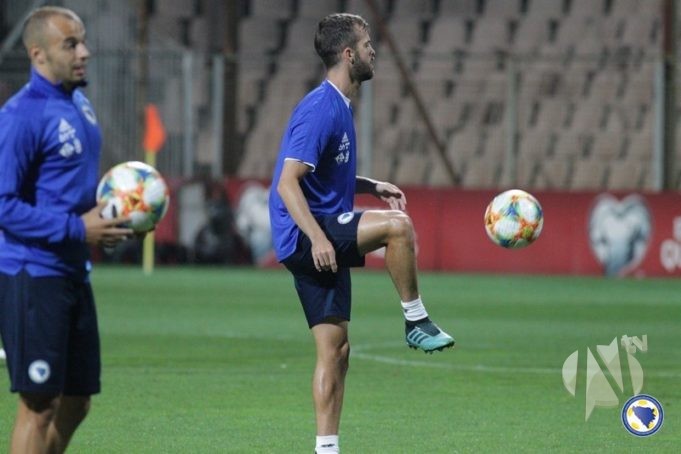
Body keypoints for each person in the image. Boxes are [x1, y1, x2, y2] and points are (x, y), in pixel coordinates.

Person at [268, 13, 455, 454]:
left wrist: (369, 185)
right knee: (398, 227)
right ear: (349, 54)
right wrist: (317, 238)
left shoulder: (340, 105)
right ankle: (416, 321)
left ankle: (326, 449)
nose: (374, 52)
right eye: (368, 45)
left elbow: (321, 176)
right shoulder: (321, 108)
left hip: (315, 230)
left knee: (336, 352)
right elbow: (287, 183)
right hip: (307, 233)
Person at [0, 6, 132, 453]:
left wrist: (113, 218)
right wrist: (78, 228)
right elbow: (3, 204)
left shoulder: (79, 104)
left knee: (77, 400)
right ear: (38, 55)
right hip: (32, 274)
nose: (85, 52)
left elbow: (70, 192)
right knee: (38, 405)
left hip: (74, 272)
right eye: (70, 45)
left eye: (83, 41)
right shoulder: (21, 116)